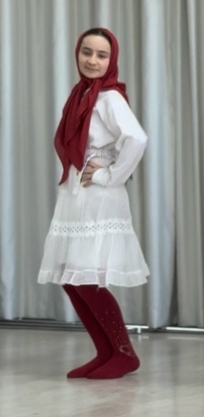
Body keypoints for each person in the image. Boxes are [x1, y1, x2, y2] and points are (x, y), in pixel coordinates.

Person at [38, 27, 149, 380]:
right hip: (76, 194)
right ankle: (105, 351)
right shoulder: (81, 94)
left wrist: (109, 176)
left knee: (86, 279)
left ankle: (124, 353)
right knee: (71, 278)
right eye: (87, 52)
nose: (92, 60)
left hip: (98, 198)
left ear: (112, 60)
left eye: (102, 55)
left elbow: (137, 139)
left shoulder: (109, 98)